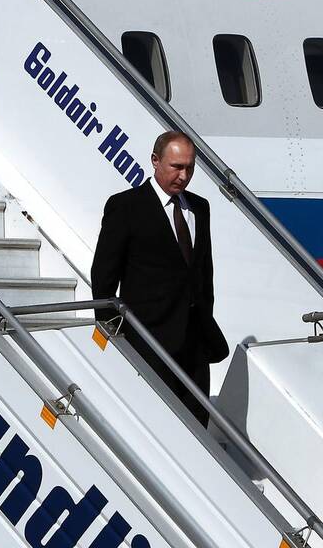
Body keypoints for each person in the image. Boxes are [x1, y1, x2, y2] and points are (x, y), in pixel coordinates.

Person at [91, 131, 229, 426]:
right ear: (155, 161)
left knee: (196, 423)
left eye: (189, 168)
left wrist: (205, 318)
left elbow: (203, 272)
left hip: (194, 343)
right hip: (148, 340)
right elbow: (104, 274)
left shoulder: (199, 207)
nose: (183, 176)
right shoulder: (126, 206)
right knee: (156, 422)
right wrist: (111, 331)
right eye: (176, 167)